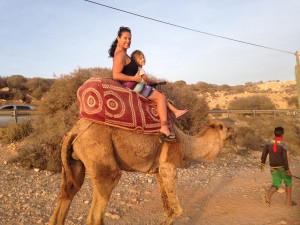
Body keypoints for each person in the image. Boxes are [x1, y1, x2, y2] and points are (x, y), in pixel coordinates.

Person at [108, 26, 186, 142]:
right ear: (118, 38)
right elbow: (116, 75)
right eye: (125, 38)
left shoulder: (121, 53)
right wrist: (135, 78)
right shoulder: (120, 55)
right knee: (160, 97)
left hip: (132, 84)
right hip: (132, 85)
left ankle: (173, 114)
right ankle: (164, 127)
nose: (128, 41)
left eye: (130, 39)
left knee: (159, 95)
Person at [131, 50, 188, 119]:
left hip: (138, 87)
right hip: (140, 88)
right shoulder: (140, 69)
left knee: (160, 96)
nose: (143, 59)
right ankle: (174, 112)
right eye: (140, 58)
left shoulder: (135, 69)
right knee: (162, 97)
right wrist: (155, 82)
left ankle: (176, 111)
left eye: (143, 57)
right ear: (135, 60)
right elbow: (147, 79)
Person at [261, 127, 297, 207]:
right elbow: (284, 158)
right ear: (283, 134)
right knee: (288, 182)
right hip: (282, 167)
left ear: (274, 133)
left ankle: (267, 196)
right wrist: (287, 170)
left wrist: (263, 162)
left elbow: (264, 153)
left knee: (276, 183)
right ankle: (288, 202)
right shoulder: (284, 144)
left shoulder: (269, 142)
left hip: (273, 167)